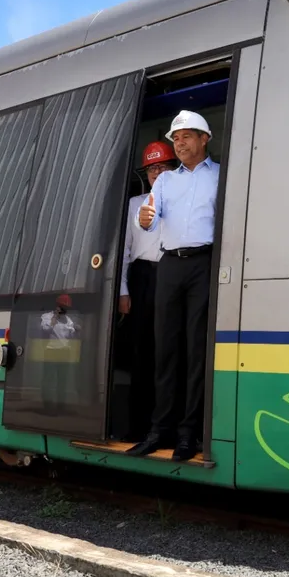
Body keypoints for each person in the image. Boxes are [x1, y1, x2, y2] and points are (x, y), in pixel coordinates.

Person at [128, 110, 219, 462]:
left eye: (185, 136)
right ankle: (158, 430)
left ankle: (188, 435)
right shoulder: (165, 182)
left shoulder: (221, 176)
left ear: (204, 138)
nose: (178, 143)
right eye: (175, 138)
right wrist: (145, 218)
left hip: (203, 263)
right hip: (170, 265)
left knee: (196, 350)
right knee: (164, 349)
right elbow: (148, 220)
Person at [118, 140, 176, 440]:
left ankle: (166, 427)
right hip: (142, 279)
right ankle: (138, 428)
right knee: (141, 354)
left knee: (169, 353)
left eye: (163, 166)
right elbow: (124, 251)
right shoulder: (132, 205)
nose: (157, 172)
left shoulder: (182, 202)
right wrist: (123, 291)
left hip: (172, 273)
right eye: (152, 168)